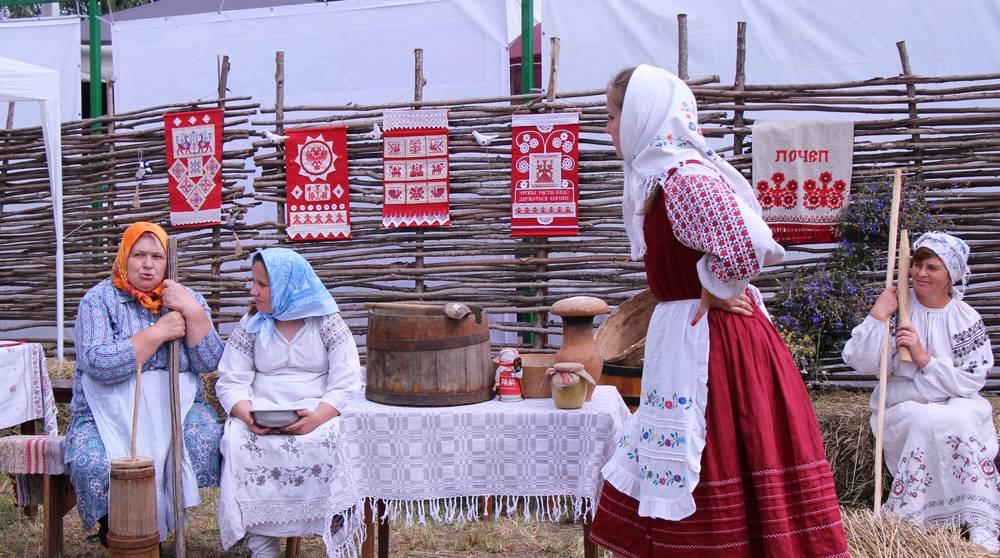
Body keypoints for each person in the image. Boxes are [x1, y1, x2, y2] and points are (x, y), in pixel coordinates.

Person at [589, 65, 849, 557]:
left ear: (640, 115)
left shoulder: (683, 177)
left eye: (610, 116)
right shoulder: (658, 177)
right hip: (689, 338)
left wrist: (712, 286)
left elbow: (754, 243)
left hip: (716, 348)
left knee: (722, 455)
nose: (606, 130)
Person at [63, 221, 224, 545]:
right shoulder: (99, 301)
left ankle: (166, 519)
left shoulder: (185, 298)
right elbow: (97, 363)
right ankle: (120, 524)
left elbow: (210, 363)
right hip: (106, 411)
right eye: (138, 255)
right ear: (124, 256)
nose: (148, 264)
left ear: (168, 261)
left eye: (156, 256)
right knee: (90, 460)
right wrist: (157, 334)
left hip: (174, 407)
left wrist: (192, 312)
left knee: (205, 434)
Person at [843, 232, 999, 551]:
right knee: (920, 420)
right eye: (917, 265)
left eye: (932, 268)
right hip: (905, 401)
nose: (921, 274)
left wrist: (923, 358)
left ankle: (979, 519)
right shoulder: (900, 308)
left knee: (959, 419)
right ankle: (914, 517)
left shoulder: (964, 317)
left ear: (950, 276)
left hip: (957, 401)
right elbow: (859, 361)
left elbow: (971, 380)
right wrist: (878, 315)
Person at [216, 247, 363, 558]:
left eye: (262, 284)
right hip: (261, 412)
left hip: (318, 412)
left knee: (336, 440)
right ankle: (262, 544)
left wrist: (316, 418)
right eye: (253, 282)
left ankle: (334, 534)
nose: (253, 291)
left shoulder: (325, 320)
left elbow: (347, 379)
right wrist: (247, 414)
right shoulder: (251, 324)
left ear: (287, 285)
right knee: (236, 439)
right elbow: (231, 379)